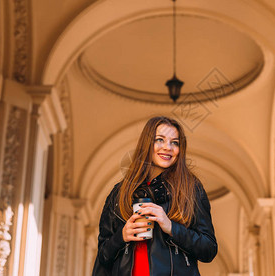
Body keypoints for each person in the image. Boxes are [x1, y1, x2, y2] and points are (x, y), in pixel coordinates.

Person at [92, 116, 217, 276]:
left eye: (175, 142)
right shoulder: (119, 193)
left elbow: (209, 249)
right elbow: (103, 256)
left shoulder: (191, 188)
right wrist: (121, 237)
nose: (168, 147)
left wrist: (171, 227)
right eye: (160, 140)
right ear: (147, 143)